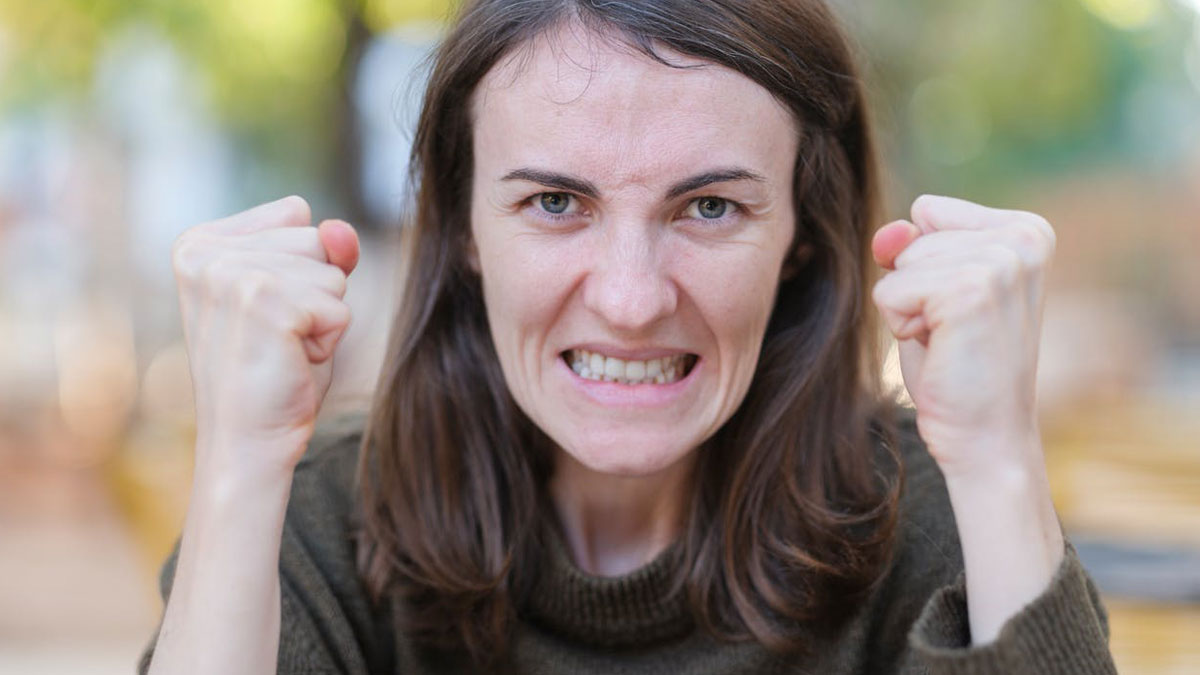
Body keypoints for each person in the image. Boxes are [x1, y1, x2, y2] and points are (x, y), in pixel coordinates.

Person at [140, 1, 1118, 673]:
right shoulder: (319, 519)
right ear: (465, 229)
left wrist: (996, 461)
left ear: (802, 236)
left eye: (710, 207)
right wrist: (240, 465)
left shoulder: (932, 520)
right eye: (555, 202)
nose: (631, 299)